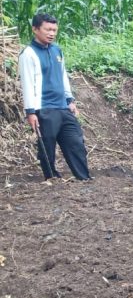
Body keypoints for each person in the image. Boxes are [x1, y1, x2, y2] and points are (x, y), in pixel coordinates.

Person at [18, 13, 92, 181]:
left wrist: (70, 100)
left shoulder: (57, 50)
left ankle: (83, 177)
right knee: (47, 146)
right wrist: (30, 112)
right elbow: (28, 84)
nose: (51, 33)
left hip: (62, 106)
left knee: (75, 142)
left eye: (54, 30)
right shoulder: (28, 54)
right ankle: (52, 179)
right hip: (43, 108)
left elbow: (63, 76)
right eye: (47, 29)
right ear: (35, 29)